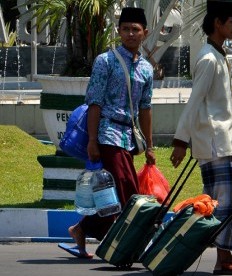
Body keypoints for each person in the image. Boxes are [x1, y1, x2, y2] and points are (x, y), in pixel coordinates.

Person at [169, 0, 232, 274]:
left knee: (222, 201)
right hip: (215, 143)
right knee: (226, 201)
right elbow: (194, 102)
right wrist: (181, 142)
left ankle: (225, 257)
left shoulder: (218, 55)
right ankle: (223, 260)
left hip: (219, 142)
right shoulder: (209, 58)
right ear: (218, 23)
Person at [61, 7, 155, 259]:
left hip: (130, 138)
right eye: (125, 29)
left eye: (136, 29)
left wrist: (150, 146)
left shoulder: (147, 69)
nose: (130, 34)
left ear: (145, 33)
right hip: (108, 133)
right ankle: (131, 243)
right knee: (126, 188)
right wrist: (92, 140)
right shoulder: (106, 61)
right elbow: (94, 103)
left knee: (112, 193)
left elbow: (146, 109)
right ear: (119, 31)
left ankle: (82, 229)